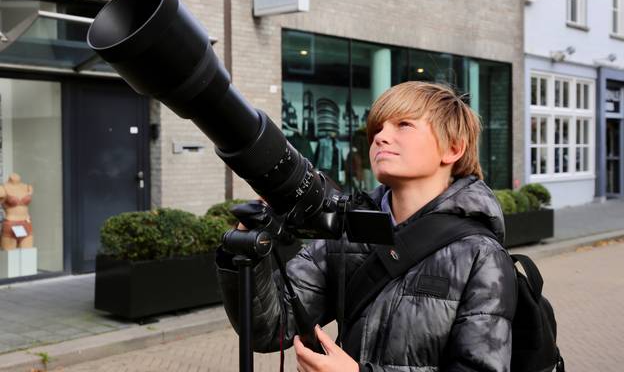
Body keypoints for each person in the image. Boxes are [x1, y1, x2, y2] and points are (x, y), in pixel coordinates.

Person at [216, 81, 517, 371]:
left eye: (404, 125)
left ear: (452, 149)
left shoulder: (481, 255)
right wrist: (247, 249)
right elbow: (271, 327)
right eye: (377, 129)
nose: (380, 137)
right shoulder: (349, 230)